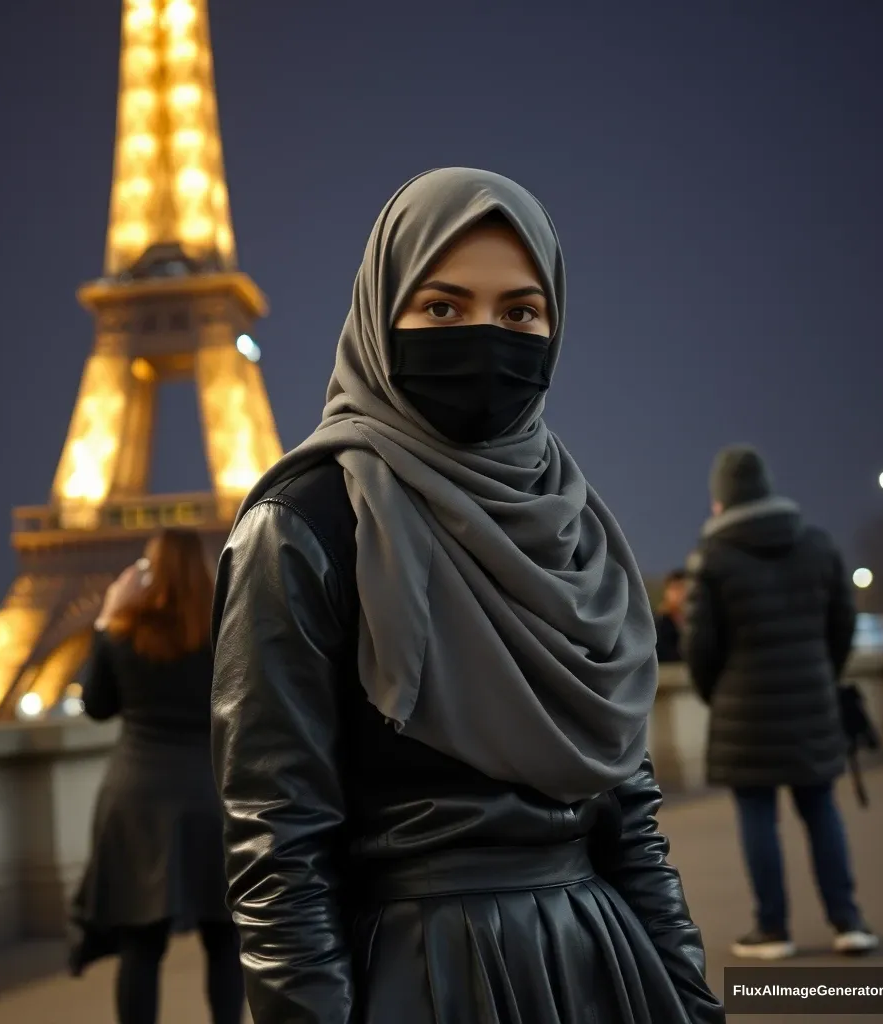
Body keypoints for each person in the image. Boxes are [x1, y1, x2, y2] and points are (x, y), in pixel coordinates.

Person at [211, 168, 724, 1024]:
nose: (486, 337)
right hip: (423, 981)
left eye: (520, 313)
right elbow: (277, 853)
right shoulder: (303, 524)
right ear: (382, 316)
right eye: (443, 308)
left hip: (604, 968)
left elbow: (631, 828)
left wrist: (694, 1004)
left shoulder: (575, 528)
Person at [682, 445, 878, 960]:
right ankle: (848, 922)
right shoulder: (816, 545)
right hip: (812, 701)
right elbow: (843, 625)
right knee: (821, 809)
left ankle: (773, 930)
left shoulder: (713, 561)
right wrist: (820, 675)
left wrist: (718, 694)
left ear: (720, 501)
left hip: (743, 712)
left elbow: (699, 647)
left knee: (756, 816)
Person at [69, 528, 244, 1024]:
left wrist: (105, 615)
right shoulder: (225, 631)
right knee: (224, 940)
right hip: (211, 796)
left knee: (140, 948)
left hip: (137, 799)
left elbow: (97, 706)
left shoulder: (125, 632)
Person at [655, 568, 687, 663]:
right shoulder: (660, 622)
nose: (680, 594)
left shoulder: (697, 621)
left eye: (683, 588)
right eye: (675, 589)